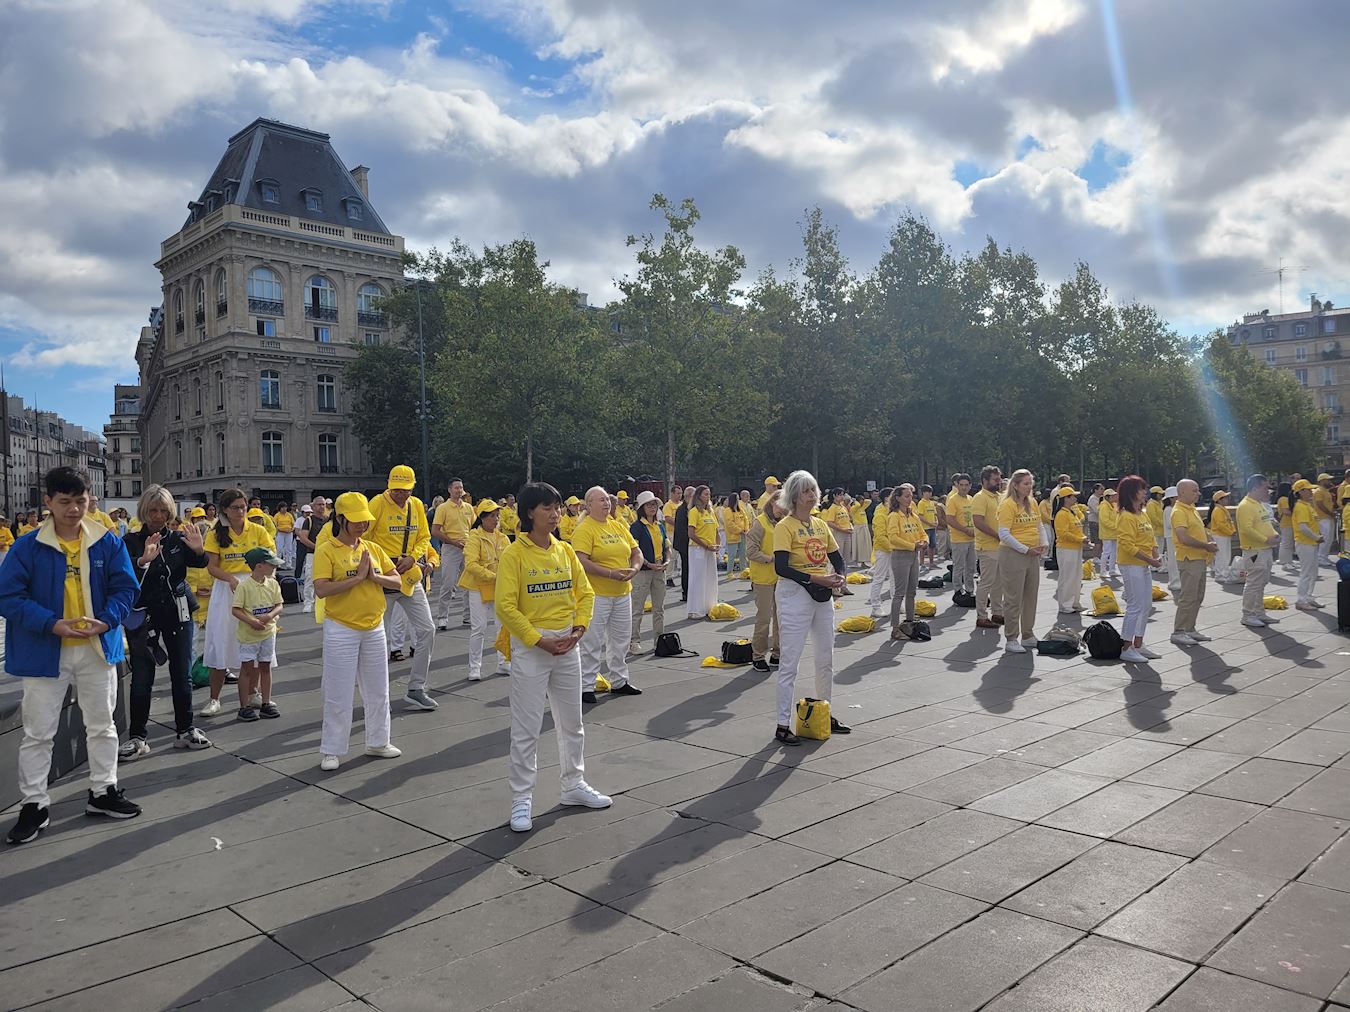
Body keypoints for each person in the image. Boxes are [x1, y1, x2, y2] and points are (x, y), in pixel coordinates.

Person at [0, 467, 141, 844]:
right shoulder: (25, 547)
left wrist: (107, 620)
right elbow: (8, 598)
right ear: (47, 503)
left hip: (96, 647)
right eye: (65, 502)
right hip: (47, 651)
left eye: (80, 501)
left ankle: (103, 790)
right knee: (38, 732)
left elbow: (126, 587)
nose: (75, 510)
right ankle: (34, 804)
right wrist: (51, 624)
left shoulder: (106, 542)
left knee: (102, 724)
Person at [496, 481, 610, 833]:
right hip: (533, 648)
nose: (556, 513)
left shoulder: (564, 550)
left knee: (572, 722)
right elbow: (506, 606)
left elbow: (585, 593)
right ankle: (521, 798)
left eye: (558, 507)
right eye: (547, 507)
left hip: (567, 643)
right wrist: (538, 640)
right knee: (527, 728)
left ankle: (573, 784)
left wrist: (578, 630)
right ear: (530, 512)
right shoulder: (514, 554)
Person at [311, 493, 404, 770]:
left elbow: (397, 581)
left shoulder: (373, 549)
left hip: (374, 625)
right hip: (341, 626)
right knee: (338, 690)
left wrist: (374, 577)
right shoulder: (326, 549)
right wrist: (356, 580)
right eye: (356, 520)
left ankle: (378, 741)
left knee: (378, 688)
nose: (362, 524)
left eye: (365, 520)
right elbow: (321, 588)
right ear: (340, 519)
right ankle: (332, 749)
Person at [120, 485, 211, 760]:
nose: (158, 516)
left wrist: (199, 551)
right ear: (144, 511)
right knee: (142, 676)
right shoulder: (130, 541)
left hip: (177, 609)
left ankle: (185, 729)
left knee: (181, 672)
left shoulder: (178, 539)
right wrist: (142, 561)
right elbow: (124, 577)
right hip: (144, 614)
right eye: (152, 510)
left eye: (163, 510)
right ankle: (138, 736)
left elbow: (199, 563)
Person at [771, 470, 850, 745]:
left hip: (822, 593)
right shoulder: (785, 526)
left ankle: (824, 712)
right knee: (790, 662)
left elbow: (837, 557)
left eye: (813, 489)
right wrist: (816, 578)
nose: (812, 495)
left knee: (825, 657)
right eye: (806, 491)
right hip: (795, 594)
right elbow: (782, 566)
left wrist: (840, 575)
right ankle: (782, 724)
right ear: (794, 496)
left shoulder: (820, 524)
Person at [367, 465, 439, 709]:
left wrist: (414, 557)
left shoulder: (416, 505)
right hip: (383, 576)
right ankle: (377, 693)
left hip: (409, 575)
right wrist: (381, 565)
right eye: (397, 490)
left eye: (406, 490)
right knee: (378, 637)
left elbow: (425, 537)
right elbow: (363, 539)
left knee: (427, 629)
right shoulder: (377, 504)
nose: (401, 495)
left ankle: (416, 687)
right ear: (389, 486)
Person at [200, 489, 276, 716]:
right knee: (220, 642)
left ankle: (254, 692)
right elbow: (212, 566)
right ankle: (214, 698)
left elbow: (270, 561)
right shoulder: (216, 534)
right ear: (224, 509)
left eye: (243, 506)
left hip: (254, 587)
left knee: (254, 641)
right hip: (227, 590)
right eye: (235, 507)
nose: (240, 511)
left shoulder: (259, 530)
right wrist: (230, 578)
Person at [572, 486, 644, 704]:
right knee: (592, 641)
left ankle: (619, 680)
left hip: (622, 592)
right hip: (597, 593)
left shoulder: (618, 525)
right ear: (589, 505)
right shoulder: (585, 529)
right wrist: (610, 573)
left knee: (620, 639)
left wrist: (635, 568)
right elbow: (581, 561)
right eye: (600, 500)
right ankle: (586, 685)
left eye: (607, 500)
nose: (606, 504)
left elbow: (636, 551)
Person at [230, 546, 284, 721]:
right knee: (246, 669)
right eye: (271, 564)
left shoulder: (273, 583)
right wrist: (251, 621)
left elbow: (279, 604)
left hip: (268, 632)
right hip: (249, 635)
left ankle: (266, 702)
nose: (274, 568)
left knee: (265, 667)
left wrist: (269, 616)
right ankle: (244, 706)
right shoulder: (244, 586)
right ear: (259, 566)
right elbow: (236, 609)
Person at [459, 499, 510, 680]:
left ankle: (503, 663)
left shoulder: (503, 538)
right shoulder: (474, 538)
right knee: (478, 628)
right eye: (491, 516)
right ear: (482, 518)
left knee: (502, 626)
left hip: (499, 587)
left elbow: (510, 561)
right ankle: (475, 668)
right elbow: (471, 564)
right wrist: (494, 576)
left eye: (497, 516)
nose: (495, 520)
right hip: (478, 587)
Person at [996, 469, 1046, 653]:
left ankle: (1028, 634)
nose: (1029, 487)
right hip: (1013, 554)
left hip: (1032, 554)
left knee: (1030, 596)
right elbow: (1004, 533)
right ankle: (1011, 638)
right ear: (1015, 485)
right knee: (1013, 598)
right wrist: (1025, 549)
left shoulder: (1032, 502)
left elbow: (1039, 524)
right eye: (1025, 483)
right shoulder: (1007, 504)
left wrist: (1044, 543)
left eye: (1030, 483)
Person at [1116, 475, 1162, 663]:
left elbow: (1150, 538)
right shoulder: (1125, 516)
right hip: (1131, 564)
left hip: (1143, 563)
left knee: (1146, 605)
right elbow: (1127, 545)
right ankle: (1126, 647)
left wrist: (1155, 554)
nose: (1145, 492)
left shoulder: (1142, 513)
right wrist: (1150, 560)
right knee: (1134, 605)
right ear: (1131, 493)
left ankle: (1139, 644)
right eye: (1141, 489)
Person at [1170, 478, 1217, 645]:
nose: (1198, 493)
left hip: (1199, 557)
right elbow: (1183, 537)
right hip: (1189, 559)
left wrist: (1208, 538)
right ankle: (1179, 631)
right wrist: (1206, 545)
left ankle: (1190, 628)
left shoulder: (1191, 509)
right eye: (1194, 490)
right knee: (1188, 597)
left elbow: (1198, 530)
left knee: (1198, 596)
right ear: (1182, 492)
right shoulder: (1179, 511)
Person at [1237, 473, 1284, 629]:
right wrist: (1266, 539)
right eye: (1265, 487)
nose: (1268, 491)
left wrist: (1274, 535)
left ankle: (1258, 612)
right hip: (1254, 551)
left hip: (1264, 549)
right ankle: (1248, 614)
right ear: (1256, 488)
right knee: (1253, 583)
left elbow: (1265, 523)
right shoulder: (1245, 506)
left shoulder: (1258, 504)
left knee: (1261, 582)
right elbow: (1246, 529)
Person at [745, 493, 783, 672]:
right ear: (772, 503)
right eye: (780, 505)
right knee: (764, 619)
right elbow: (751, 552)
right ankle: (758, 655)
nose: (782, 510)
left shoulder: (783, 522)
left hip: (781, 577)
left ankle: (777, 653)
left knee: (780, 618)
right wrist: (770, 559)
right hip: (763, 578)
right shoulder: (760, 522)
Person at [629, 491, 669, 655]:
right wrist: (649, 564)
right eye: (649, 505)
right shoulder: (636, 527)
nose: (652, 508)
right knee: (637, 608)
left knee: (659, 608)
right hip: (643, 571)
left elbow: (667, 546)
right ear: (642, 508)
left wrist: (666, 561)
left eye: (654, 505)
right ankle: (634, 641)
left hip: (660, 569)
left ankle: (659, 640)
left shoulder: (660, 525)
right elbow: (635, 551)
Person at [431, 479, 474, 629]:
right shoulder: (443, 508)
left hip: (467, 548)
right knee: (448, 584)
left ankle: (468, 616)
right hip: (450, 548)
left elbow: (473, 528)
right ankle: (443, 617)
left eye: (461, 488)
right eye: (456, 488)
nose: (459, 490)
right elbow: (435, 531)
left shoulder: (468, 507)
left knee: (469, 584)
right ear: (449, 490)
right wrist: (453, 541)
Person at [886, 484, 925, 638]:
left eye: (911, 496)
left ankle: (909, 621)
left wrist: (924, 541)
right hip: (901, 555)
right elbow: (893, 538)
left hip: (913, 555)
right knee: (899, 593)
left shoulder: (913, 515)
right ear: (898, 498)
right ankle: (895, 628)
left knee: (912, 591)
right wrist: (912, 545)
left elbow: (922, 533)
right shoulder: (894, 516)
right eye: (906, 496)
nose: (910, 499)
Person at [971, 465, 1005, 629]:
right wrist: (997, 535)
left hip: (1000, 546)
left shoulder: (999, 497)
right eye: (995, 479)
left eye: (999, 479)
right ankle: (982, 616)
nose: (999, 482)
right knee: (986, 582)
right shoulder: (979, 497)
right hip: (987, 546)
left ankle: (997, 613)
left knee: (999, 582)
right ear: (985, 481)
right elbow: (978, 521)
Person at [686, 485, 720, 619]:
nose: (708, 496)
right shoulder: (694, 511)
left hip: (710, 548)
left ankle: (709, 606)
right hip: (698, 548)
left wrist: (717, 545)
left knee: (711, 578)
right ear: (699, 496)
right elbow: (691, 533)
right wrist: (706, 545)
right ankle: (695, 609)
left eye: (709, 494)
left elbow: (716, 530)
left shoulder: (710, 512)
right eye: (705, 494)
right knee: (698, 578)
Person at [1053, 488, 1088, 613]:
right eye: (1072, 496)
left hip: (1076, 548)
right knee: (1067, 577)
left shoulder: (1071, 512)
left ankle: (1074, 602)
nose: (1075, 498)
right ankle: (1065, 604)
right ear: (1066, 498)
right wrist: (1080, 539)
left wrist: (1081, 539)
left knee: (1077, 577)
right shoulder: (1061, 514)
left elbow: (1080, 522)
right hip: (1066, 549)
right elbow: (1063, 534)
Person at [1291, 479, 1324, 610]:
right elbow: (1303, 527)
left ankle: (1308, 597)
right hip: (1305, 543)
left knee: (1313, 572)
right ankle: (1301, 599)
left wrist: (1317, 536)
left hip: (1311, 543)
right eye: (1308, 489)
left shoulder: (1307, 505)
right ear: (1301, 492)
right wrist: (1316, 537)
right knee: (1306, 573)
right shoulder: (1301, 507)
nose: (1311, 491)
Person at [945, 474, 976, 596]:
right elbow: (950, 519)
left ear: (970, 486)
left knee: (971, 567)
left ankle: (970, 590)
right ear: (957, 485)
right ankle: (958, 590)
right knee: (959, 567)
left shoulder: (971, 499)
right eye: (961, 485)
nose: (964, 487)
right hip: (959, 539)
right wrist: (965, 530)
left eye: (966, 485)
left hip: (972, 538)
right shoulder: (953, 500)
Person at [867, 486, 894, 618]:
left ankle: (897, 604)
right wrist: (893, 548)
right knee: (879, 578)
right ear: (886, 498)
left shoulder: (894, 511)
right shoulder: (880, 513)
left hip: (894, 549)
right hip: (883, 550)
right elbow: (880, 536)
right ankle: (875, 607)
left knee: (895, 579)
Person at [1208, 490, 1236, 582]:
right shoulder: (1218, 511)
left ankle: (1223, 573)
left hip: (1224, 535)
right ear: (1219, 500)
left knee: (1225, 555)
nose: (1227, 499)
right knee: (1222, 556)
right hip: (1220, 536)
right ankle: (1220, 574)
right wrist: (1230, 532)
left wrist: (1232, 531)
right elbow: (1221, 525)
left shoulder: (1221, 509)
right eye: (1225, 498)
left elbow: (1228, 523)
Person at [674, 485, 694, 601]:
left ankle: (690, 591)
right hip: (685, 544)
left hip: (690, 543)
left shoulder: (690, 508)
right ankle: (686, 592)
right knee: (686, 568)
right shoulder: (682, 510)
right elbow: (683, 530)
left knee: (691, 569)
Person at [824, 488, 853, 566]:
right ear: (834, 496)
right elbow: (829, 522)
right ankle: (835, 575)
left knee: (846, 558)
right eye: (840, 495)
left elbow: (848, 519)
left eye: (843, 494)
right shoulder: (832, 508)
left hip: (847, 533)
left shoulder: (843, 507)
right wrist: (842, 530)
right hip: (839, 534)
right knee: (838, 557)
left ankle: (844, 576)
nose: (842, 497)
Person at [723, 491, 750, 573]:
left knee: (743, 554)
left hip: (743, 535)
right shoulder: (728, 510)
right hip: (733, 536)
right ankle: (730, 572)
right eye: (737, 499)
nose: (738, 500)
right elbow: (730, 524)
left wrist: (745, 529)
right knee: (732, 555)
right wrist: (740, 530)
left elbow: (746, 520)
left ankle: (744, 570)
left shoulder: (740, 510)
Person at [1162, 487, 1182, 593]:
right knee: (1173, 560)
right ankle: (1175, 581)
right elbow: (1170, 524)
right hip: (1171, 536)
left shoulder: (1171, 508)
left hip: (1173, 536)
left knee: (1174, 559)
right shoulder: (1169, 509)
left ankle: (1176, 580)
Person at [663, 485, 683, 588]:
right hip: (671, 533)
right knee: (672, 556)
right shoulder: (668, 505)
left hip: (681, 533)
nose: (680, 495)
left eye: (681, 493)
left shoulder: (682, 504)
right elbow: (668, 518)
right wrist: (680, 523)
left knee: (682, 556)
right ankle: (668, 577)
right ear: (672, 493)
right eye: (678, 493)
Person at [1316, 473, 1337, 564]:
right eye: (1327, 480)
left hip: (1328, 517)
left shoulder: (1325, 491)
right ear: (1322, 481)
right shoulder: (1319, 491)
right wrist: (1330, 513)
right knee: (1325, 538)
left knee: (1329, 539)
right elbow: (1319, 504)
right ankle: (1320, 557)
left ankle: (1324, 556)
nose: (1329, 482)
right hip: (1322, 518)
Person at [914, 485, 937, 569]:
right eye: (927, 492)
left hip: (932, 528)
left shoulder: (931, 502)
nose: (929, 494)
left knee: (932, 545)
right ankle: (922, 563)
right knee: (923, 546)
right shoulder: (921, 503)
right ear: (923, 493)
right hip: (925, 528)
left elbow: (935, 514)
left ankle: (932, 563)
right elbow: (920, 516)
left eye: (930, 492)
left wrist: (936, 521)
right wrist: (930, 523)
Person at [1098, 488, 1120, 578]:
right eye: (1113, 495)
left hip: (1114, 533)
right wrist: (1117, 527)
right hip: (1107, 533)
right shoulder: (1104, 506)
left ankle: (1112, 570)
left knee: (1114, 552)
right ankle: (1103, 571)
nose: (1115, 497)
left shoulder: (1112, 505)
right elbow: (1105, 521)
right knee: (1106, 552)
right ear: (1107, 497)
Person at [1275, 482, 1296, 570]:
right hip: (1287, 523)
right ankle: (1285, 562)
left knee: (1287, 543)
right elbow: (1286, 511)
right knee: (1286, 543)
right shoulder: (1284, 499)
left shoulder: (1283, 499)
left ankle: (1287, 560)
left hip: (1287, 523)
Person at [1146, 486, 1166, 572]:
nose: (1161, 495)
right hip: (1155, 530)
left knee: (1160, 549)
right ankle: (1156, 565)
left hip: (1161, 530)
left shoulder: (1160, 503)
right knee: (1156, 549)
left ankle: (1157, 565)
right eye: (1160, 494)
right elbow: (1153, 518)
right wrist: (1163, 524)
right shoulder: (1151, 504)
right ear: (1155, 494)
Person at [850, 492, 872, 569]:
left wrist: (862, 500)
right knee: (858, 545)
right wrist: (855, 501)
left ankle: (864, 561)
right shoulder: (854, 508)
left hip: (864, 527)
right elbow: (857, 505)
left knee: (865, 546)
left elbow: (869, 501)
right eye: (861, 500)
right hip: (858, 528)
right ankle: (856, 561)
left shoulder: (862, 508)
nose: (863, 502)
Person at [273, 502, 296, 568]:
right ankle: (278, 563)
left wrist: (292, 529)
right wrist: (280, 529)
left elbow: (293, 524)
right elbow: (274, 525)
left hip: (289, 533)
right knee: (279, 548)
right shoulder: (277, 515)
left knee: (289, 549)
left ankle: (289, 564)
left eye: (285, 507)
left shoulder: (289, 515)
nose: (284, 509)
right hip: (280, 533)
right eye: (282, 507)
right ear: (279, 508)